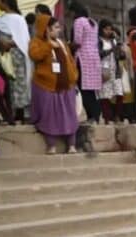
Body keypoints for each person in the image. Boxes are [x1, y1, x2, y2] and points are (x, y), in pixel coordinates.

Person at [28, 14, 79, 154]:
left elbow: (70, 60)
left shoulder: (62, 42)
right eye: (55, 28)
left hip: (66, 87)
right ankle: (51, 146)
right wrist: (48, 45)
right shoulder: (36, 42)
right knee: (49, 117)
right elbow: (35, 55)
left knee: (70, 116)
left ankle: (72, 145)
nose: (59, 30)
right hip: (47, 87)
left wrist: (74, 76)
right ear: (46, 29)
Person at [0, 0, 30, 123]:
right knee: (7, 84)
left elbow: (23, 39)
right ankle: (11, 112)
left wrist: (9, 43)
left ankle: (21, 113)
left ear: (5, 2)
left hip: (16, 55)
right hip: (3, 56)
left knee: (19, 84)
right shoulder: (1, 18)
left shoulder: (18, 19)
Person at [68, 1, 101, 123]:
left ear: (74, 11)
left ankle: (92, 116)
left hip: (83, 59)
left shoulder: (78, 22)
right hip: (93, 58)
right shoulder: (93, 22)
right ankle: (96, 116)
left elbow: (77, 42)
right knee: (92, 90)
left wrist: (67, 47)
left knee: (84, 88)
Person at [98, 19, 125, 123]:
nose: (108, 31)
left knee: (119, 92)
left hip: (115, 69)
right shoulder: (99, 41)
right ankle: (107, 117)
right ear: (101, 30)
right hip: (104, 69)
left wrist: (118, 43)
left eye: (110, 29)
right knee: (105, 94)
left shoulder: (113, 41)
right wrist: (110, 51)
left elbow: (121, 56)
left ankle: (117, 116)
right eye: (106, 29)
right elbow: (99, 54)